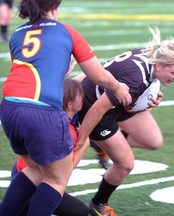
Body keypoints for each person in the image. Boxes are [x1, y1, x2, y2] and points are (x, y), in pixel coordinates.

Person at [0, 0, 131, 215]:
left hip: (10, 108)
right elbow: (98, 75)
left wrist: (59, 73)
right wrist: (118, 88)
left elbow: (29, 73)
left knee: (34, 170)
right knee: (56, 180)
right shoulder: (65, 31)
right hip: (41, 111)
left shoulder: (17, 34)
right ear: (54, 8)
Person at [74, 26, 174, 216]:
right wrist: (81, 139)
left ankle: (102, 144)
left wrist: (146, 99)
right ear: (160, 66)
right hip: (96, 110)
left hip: (118, 102)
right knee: (126, 163)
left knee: (152, 140)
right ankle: (98, 204)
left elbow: (109, 74)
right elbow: (98, 108)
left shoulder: (150, 57)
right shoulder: (136, 78)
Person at [11, 78, 91, 216]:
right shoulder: (66, 133)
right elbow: (64, 171)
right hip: (33, 181)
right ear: (70, 104)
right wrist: (85, 144)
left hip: (20, 172)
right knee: (81, 212)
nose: (83, 96)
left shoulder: (51, 115)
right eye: (80, 95)